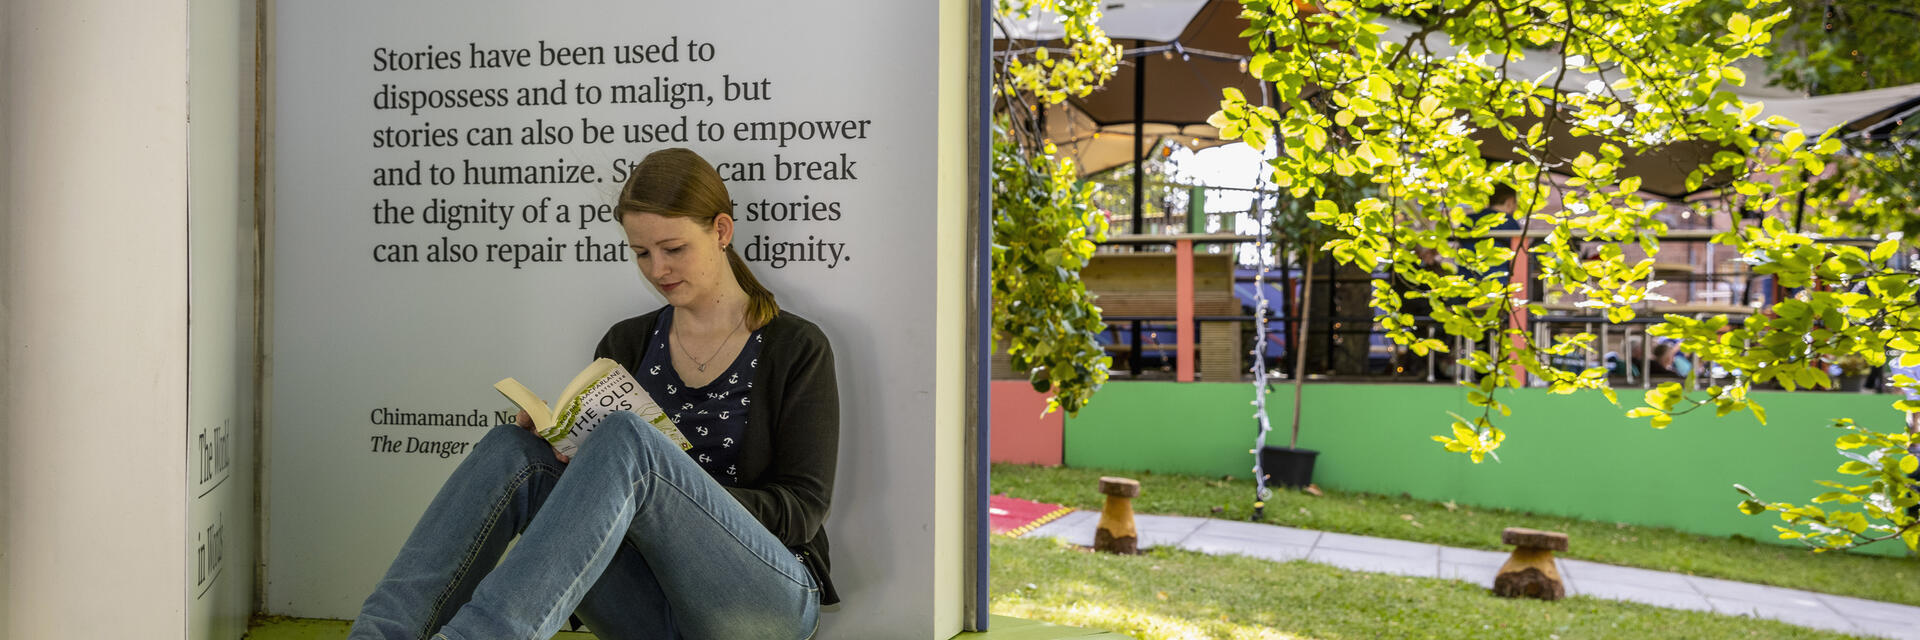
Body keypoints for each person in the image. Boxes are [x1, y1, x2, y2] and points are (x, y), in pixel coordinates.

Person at [348, 148, 839, 640]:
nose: (657, 269)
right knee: (511, 448)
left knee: (630, 441)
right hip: (647, 604)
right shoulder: (626, 343)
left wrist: (671, 496)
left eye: (673, 248)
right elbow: (591, 495)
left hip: (760, 603)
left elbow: (803, 508)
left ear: (721, 231)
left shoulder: (796, 347)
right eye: (642, 253)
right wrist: (564, 451)